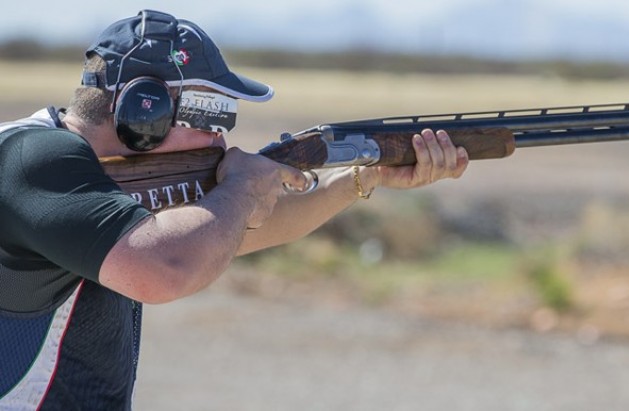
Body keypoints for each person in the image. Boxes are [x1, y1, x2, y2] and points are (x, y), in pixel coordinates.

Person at [0, 9, 468, 410]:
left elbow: (230, 233)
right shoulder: (36, 159)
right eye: (211, 117)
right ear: (145, 110)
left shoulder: (77, 171)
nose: (221, 139)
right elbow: (166, 267)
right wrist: (241, 188)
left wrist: (366, 176)